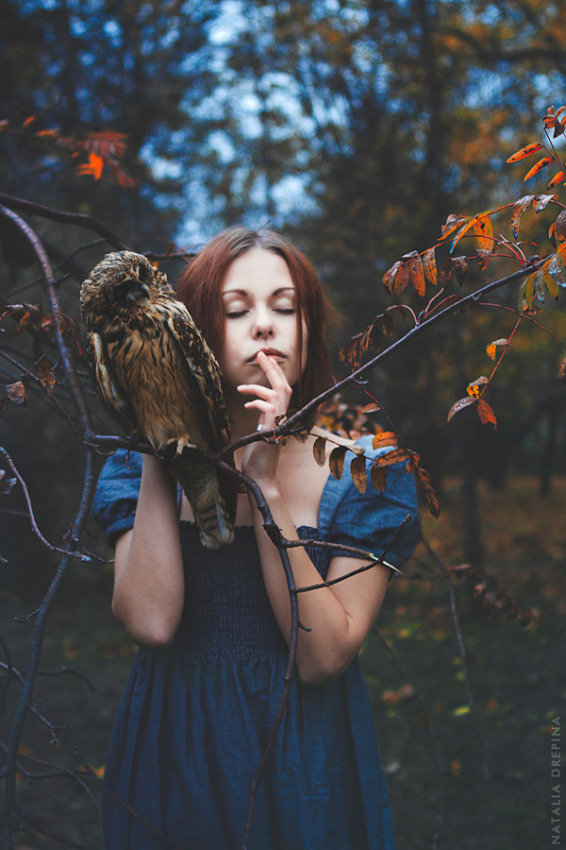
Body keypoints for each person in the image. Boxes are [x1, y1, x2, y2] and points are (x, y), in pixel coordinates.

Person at [93, 227, 421, 850]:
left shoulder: (367, 473)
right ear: (189, 333)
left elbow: (322, 658)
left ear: (307, 327)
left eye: (285, 308)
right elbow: (151, 622)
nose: (265, 326)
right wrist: (167, 433)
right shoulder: (138, 467)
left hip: (302, 752)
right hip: (174, 743)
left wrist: (266, 490)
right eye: (237, 310)